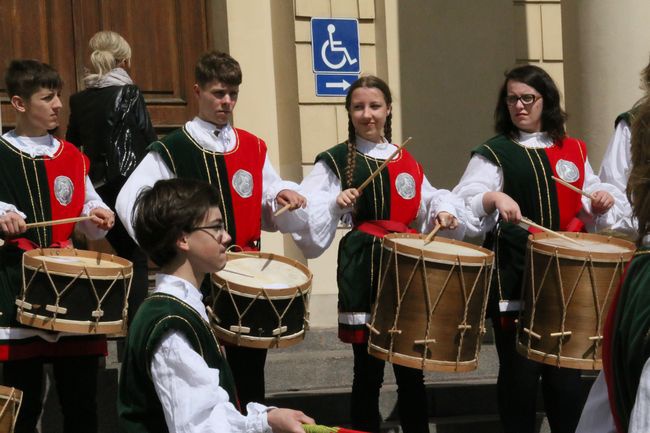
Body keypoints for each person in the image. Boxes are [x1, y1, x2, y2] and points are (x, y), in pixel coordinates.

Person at [115, 50, 307, 409]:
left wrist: (281, 197)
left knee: (250, 382)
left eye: (233, 93)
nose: (227, 101)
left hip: (247, 285)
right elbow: (132, 201)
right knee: (205, 382)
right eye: (219, 93)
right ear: (197, 91)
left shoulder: (253, 146)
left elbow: (267, 203)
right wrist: (165, 247)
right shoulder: (172, 150)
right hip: (198, 285)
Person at [452, 64, 628, 433]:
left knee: (565, 380)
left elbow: (593, 198)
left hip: (566, 280)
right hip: (516, 275)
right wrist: (493, 197)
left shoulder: (572, 148)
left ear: (545, 101)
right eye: (512, 98)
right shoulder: (494, 152)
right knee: (519, 376)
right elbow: (464, 200)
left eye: (527, 98)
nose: (519, 106)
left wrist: (599, 201)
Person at [292, 75, 466, 433]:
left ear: (388, 109)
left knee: (410, 369)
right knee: (367, 372)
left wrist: (443, 211)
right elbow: (308, 206)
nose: (367, 114)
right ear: (349, 112)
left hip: (405, 266)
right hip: (365, 266)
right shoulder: (336, 160)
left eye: (374, 106)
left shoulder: (405, 159)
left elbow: (429, 197)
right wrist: (334, 202)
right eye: (358, 107)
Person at [117, 177, 314, 433]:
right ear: (183, 239)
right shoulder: (170, 325)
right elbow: (201, 426)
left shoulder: (182, 308)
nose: (227, 236)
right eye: (216, 227)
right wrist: (262, 423)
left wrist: (267, 419)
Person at [0, 59, 115, 433]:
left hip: (73, 291)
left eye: (58, 96)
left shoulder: (70, 155)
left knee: (81, 404)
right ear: (19, 104)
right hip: (15, 288)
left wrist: (98, 214)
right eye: (47, 98)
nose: (58, 105)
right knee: (21, 405)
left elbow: (86, 206)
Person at [66, 30, 156, 324]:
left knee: (123, 253)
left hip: (98, 187)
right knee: (137, 257)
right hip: (129, 183)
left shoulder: (78, 100)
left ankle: (116, 320)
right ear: (124, 61)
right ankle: (136, 329)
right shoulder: (129, 93)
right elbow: (147, 137)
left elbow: (71, 143)